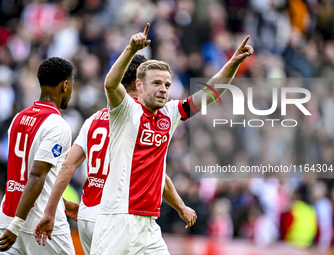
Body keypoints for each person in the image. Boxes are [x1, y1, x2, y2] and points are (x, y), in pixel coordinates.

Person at [90, 23, 253, 254]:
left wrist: (233, 63)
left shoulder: (170, 113)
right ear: (139, 85)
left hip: (148, 222)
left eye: (167, 84)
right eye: (156, 83)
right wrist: (130, 50)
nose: (163, 89)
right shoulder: (125, 110)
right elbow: (110, 84)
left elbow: (211, 93)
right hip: (118, 217)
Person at [34, 54, 197, 254]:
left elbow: (68, 166)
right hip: (116, 215)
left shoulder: (94, 119)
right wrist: (181, 207)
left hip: (87, 212)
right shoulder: (133, 118)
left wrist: (51, 210)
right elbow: (156, 175)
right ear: (140, 83)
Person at [0, 57, 77, 254]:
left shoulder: (18, 117)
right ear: (65, 85)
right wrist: (18, 224)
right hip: (39, 222)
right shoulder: (57, 125)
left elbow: (20, 172)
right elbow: (36, 175)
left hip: (8, 215)